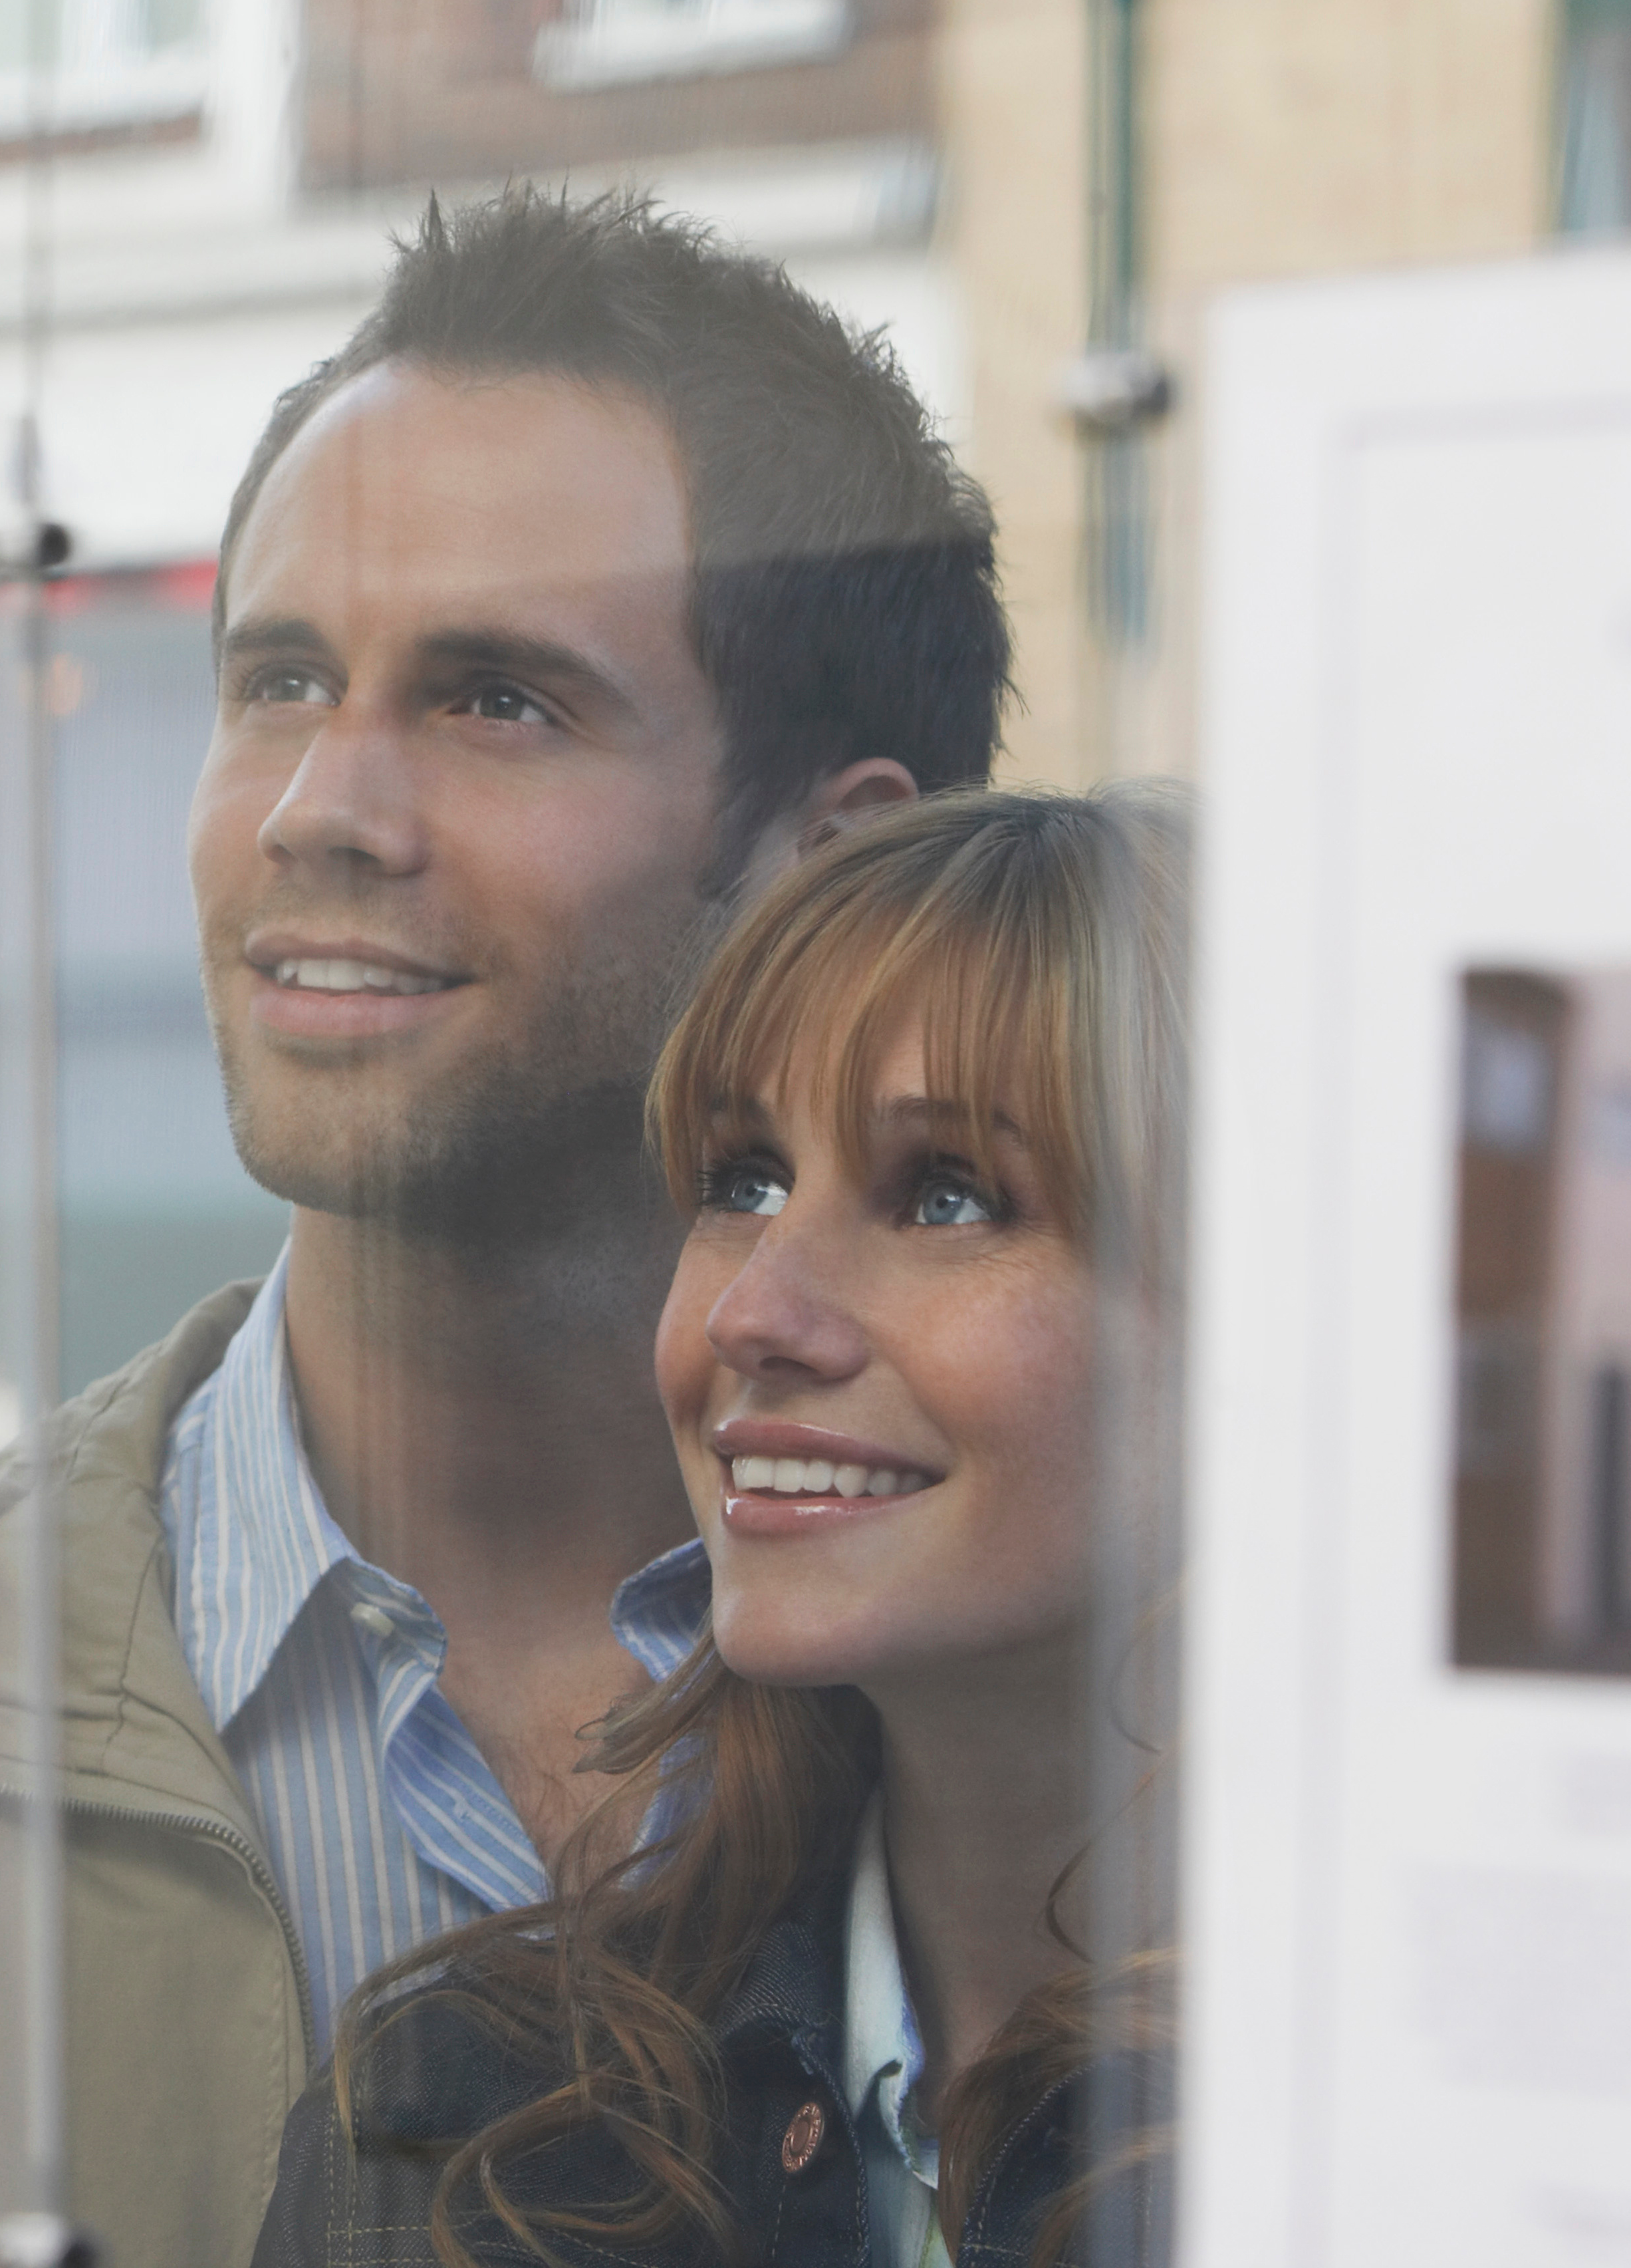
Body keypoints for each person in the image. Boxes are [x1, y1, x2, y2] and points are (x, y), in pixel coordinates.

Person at [0, 186, 1007, 2268]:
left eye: (495, 700)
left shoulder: (1100, 1699)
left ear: (834, 867)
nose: (317, 808)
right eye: (279, 678)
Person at [249, 785, 1188, 2268]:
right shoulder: (466, 2129)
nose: (754, 1312)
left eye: (946, 1196)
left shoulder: (1476, 2122)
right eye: (741, 1184)